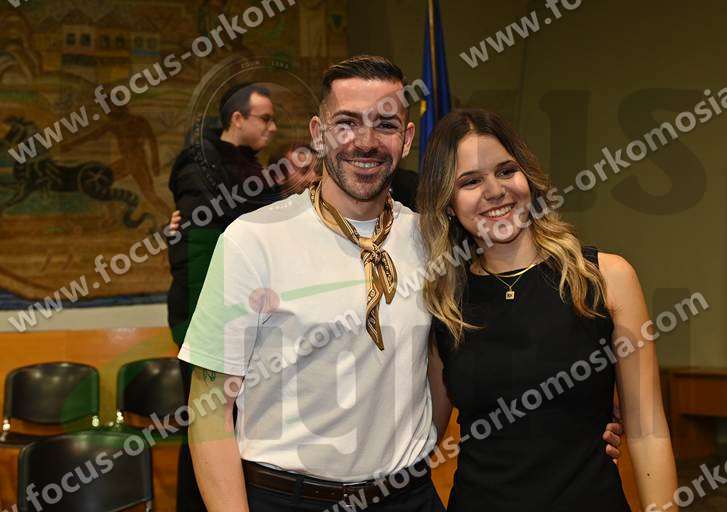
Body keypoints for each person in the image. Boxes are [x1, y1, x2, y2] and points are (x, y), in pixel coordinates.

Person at [178, 55, 622, 512]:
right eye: (347, 123)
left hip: (409, 498)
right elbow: (209, 410)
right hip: (288, 500)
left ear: (407, 139)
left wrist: (585, 414)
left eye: (386, 125)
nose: (366, 141)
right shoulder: (253, 239)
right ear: (318, 134)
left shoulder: (436, 242)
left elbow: (504, 339)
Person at [418, 108, 679, 511]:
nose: (495, 190)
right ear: (448, 204)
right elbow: (422, 438)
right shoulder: (446, 303)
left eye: (506, 171)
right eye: (470, 181)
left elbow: (648, 431)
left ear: (528, 176)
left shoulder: (605, 278)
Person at [167, 82, 279, 512]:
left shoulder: (246, 164)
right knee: (208, 420)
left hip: (247, 315)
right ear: (237, 119)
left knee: (238, 420)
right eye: (265, 118)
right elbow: (200, 245)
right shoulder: (201, 162)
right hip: (210, 315)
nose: (272, 127)